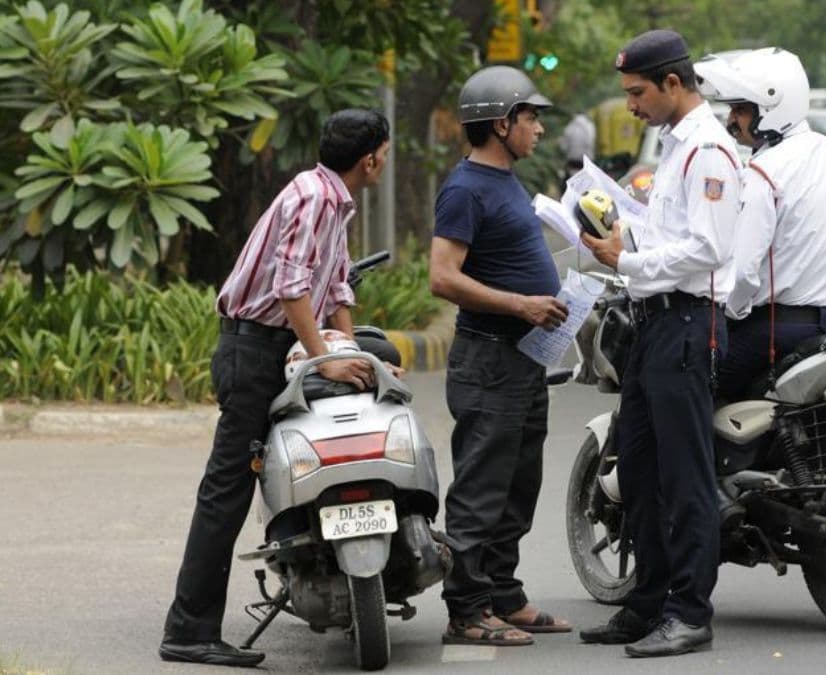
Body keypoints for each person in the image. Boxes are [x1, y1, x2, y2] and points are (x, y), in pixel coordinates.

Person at [160, 109, 394, 667]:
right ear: (369, 159)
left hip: (274, 348)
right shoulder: (314, 198)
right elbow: (292, 289)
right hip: (254, 352)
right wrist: (324, 362)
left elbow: (334, 289)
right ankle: (188, 630)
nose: (385, 162)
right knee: (227, 489)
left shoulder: (332, 199)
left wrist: (353, 356)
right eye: (385, 153)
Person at [579, 29, 741, 658]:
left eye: (637, 92)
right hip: (653, 323)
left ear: (673, 83)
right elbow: (670, 232)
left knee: (685, 475)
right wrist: (624, 234)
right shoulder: (675, 148)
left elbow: (709, 248)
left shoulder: (709, 151)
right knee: (640, 470)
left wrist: (627, 261)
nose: (631, 105)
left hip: (687, 324)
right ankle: (645, 604)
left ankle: (690, 612)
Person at [429, 65, 572, 647]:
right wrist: (520, 304)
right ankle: (466, 609)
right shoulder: (465, 189)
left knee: (518, 483)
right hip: (488, 360)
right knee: (482, 487)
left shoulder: (506, 180)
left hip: (522, 360)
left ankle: (503, 594)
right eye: (530, 117)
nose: (539, 128)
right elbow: (442, 277)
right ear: (500, 123)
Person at [695, 48, 826, 402]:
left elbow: (743, 272)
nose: (731, 120)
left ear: (771, 107)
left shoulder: (765, 171)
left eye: (740, 110)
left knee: (689, 388)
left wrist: (727, 314)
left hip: (778, 331)